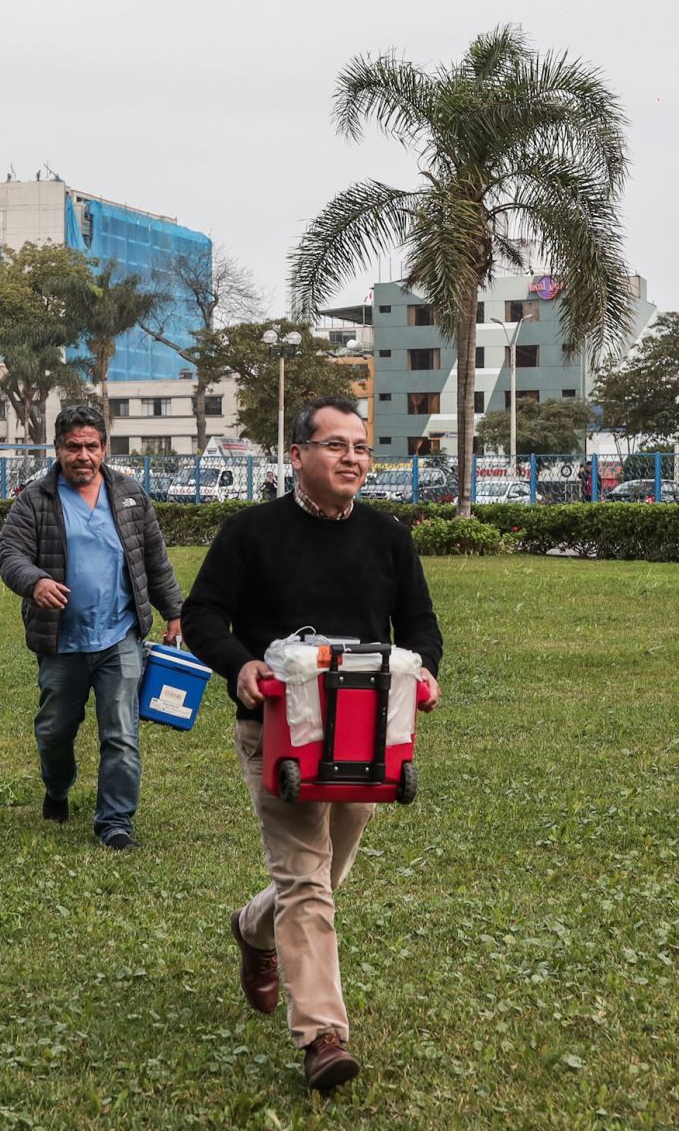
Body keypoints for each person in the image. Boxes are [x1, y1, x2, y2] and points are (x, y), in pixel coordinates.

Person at [181, 396, 443, 1092]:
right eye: (336, 445)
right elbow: (204, 612)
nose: (352, 457)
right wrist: (240, 665)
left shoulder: (388, 537)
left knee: (324, 879)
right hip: (279, 732)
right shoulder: (251, 532)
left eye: (360, 446)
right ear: (297, 456)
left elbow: (419, 624)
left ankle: (252, 930)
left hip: (366, 736)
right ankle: (323, 1034)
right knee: (305, 877)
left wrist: (427, 675)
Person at [0, 405, 183, 852]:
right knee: (54, 730)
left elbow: (153, 560)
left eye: (91, 446)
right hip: (61, 641)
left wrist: (174, 611)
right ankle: (57, 788)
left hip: (120, 637)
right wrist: (35, 581)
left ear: (104, 448)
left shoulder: (130, 494)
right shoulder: (35, 500)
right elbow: (10, 555)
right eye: (73, 447)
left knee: (120, 732)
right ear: (58, 449)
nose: (83, 455)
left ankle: (115, 822)